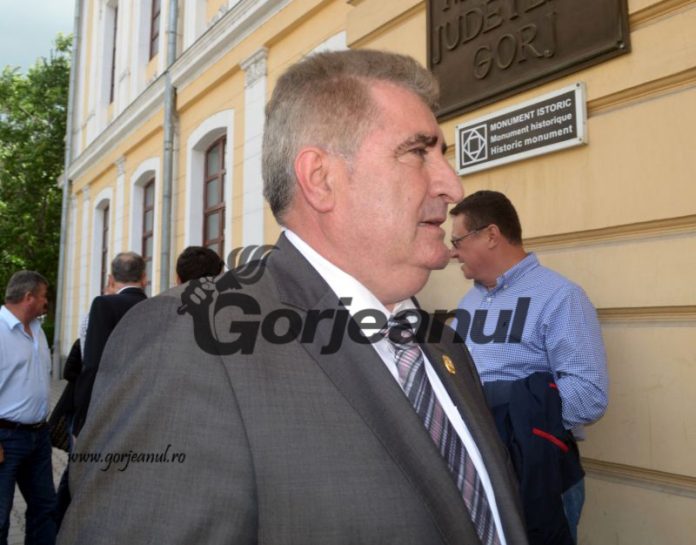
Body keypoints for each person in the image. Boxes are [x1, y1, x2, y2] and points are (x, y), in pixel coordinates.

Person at [59, 50, 528, 545]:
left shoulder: (444, 345)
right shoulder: (190, 346)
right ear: (321, 179)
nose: (452, 184)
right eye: (418, 152)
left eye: (443, 155)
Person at [449, 190, 609, 545]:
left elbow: (589, 395)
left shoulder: (560, 297)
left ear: (491, 235)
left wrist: (505, 409)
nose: (452, 252)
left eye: (457, 241)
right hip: (479, 469)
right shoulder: (469, 302)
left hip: (538, 470)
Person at [0, 271, 56, 544]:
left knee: (45, 510)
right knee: (0, 517)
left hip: (39, 437)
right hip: (5, 439)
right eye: (44, 296)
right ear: (29, 297)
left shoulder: (36, 330)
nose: (46, 302)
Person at [72, 252, 147, 437]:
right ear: (144, 278)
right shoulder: (156, 306)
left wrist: (81, 413)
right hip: (144, 403)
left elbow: (93, 363)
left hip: (108, 405)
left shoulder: (103, 304)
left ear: (111, 279)